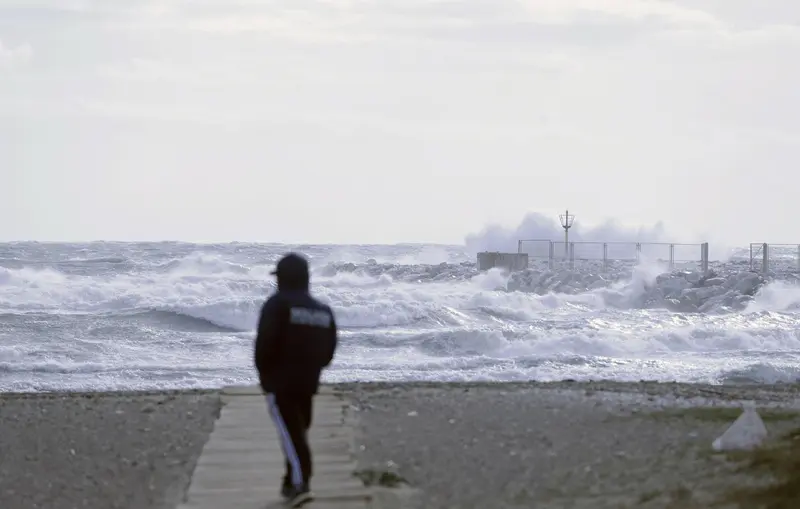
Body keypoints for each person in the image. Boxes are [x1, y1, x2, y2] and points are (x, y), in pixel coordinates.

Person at [254, 253, 338, 507]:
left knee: (292, 435)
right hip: (309, 383)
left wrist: (265, 377)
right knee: (297, 433)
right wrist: (313, 369)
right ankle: (291, 480)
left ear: (282, 279)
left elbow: (264, 345)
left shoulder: (277, 305)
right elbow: (328, 351)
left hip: (281, 384)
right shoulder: (322, 310)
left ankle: (301, 484)